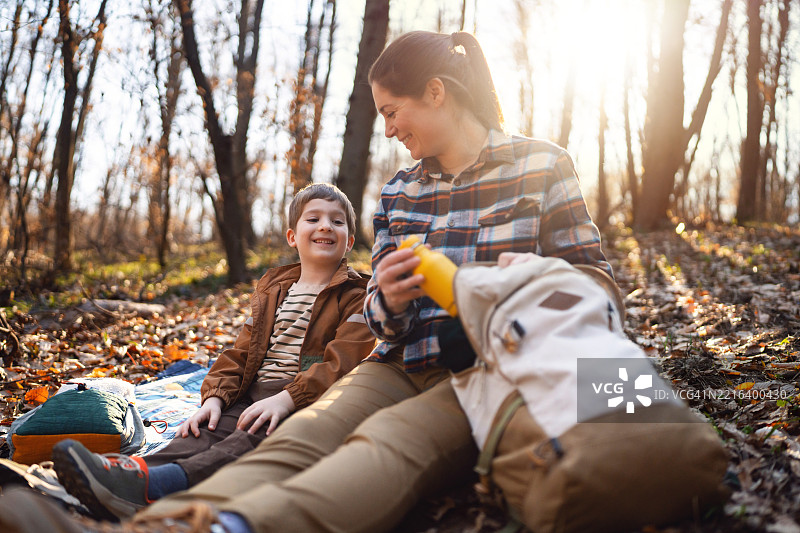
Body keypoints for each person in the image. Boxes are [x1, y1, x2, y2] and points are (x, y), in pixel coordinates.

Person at [0, 31, 611, 533]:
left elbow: (597, 288)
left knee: (385, 450)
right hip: (398, 362)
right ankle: (145, 517)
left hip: (482, 371)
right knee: (307, 433)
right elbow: (376, 317)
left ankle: (205, 528)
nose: (391, 129)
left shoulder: (541, 165)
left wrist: (510, 284)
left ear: (436, 92)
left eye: (393, 113)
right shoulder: (400, 191)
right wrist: (390, 299)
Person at [48, 183, 376, 521]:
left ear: (350, 241)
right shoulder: (276, 290)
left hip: (303, 403)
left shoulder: (357, 295)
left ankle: (158, 489)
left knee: (245, 443)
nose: (325, 226)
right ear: (293, 236)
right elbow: (241, 353)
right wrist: (215, 399)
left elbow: (341, 364)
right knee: (200, 433)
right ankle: (125, 475)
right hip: (252, 396)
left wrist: (286, 399)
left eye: (337, 222)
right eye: (314, 218)